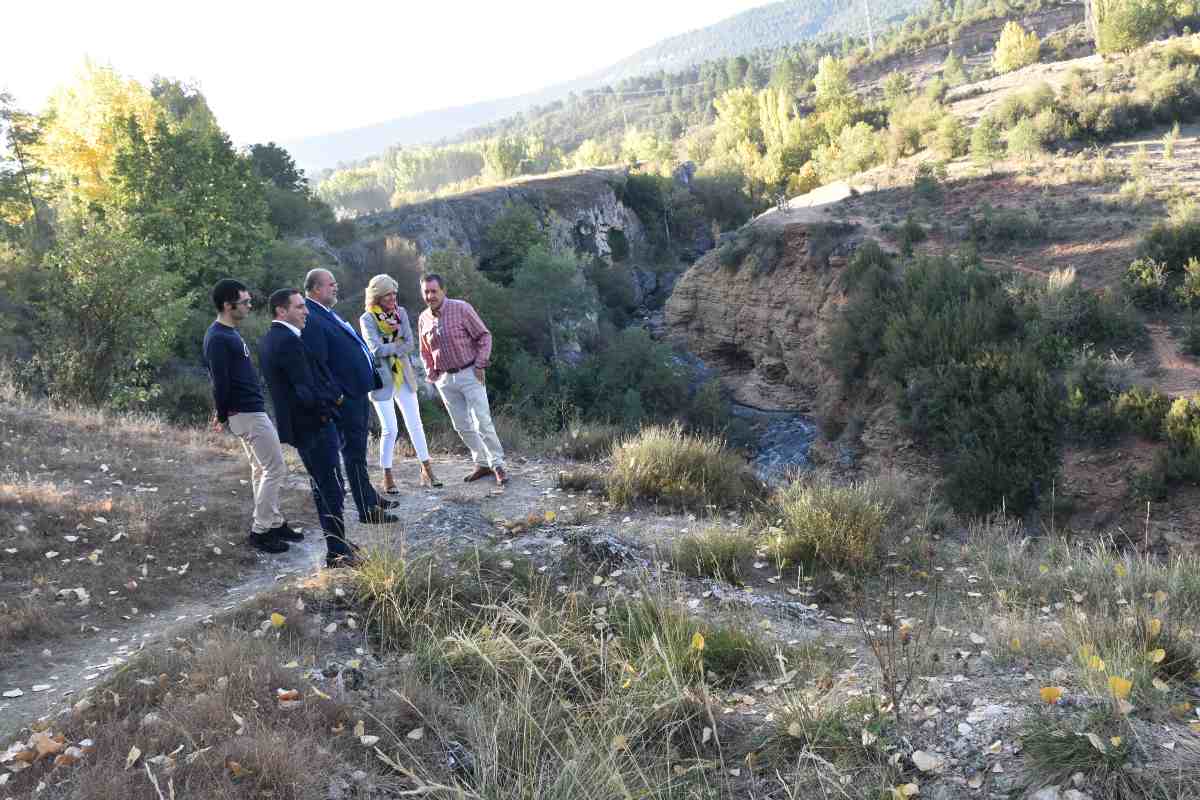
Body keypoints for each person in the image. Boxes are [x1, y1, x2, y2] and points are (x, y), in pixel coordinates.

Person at [259, 288, 362, 569]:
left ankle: (338, 542)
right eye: (300, 307)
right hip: (314, 427)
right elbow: (305, 391)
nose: (306, 312)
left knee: (324, 484)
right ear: (282, 311)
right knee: (330, 487)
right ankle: (338, 553)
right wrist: (331, 407)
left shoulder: (271, 339)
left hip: (303, 427)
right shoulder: (287, 342)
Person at [201, 278, 304, 554]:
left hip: (250, 410)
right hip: (246, 413)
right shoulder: (218, 338)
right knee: (276, 468)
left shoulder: (229, 333)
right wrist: (222, 414)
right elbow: (219, 381)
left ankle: (273, 522)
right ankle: (260, 531)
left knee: (262, 469)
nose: (249, 305)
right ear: (227, 304)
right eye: (244, 302)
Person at [301, 268, 398, 524]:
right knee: (354, 452)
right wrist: (339, 396)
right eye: (330, 284)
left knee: (359, 450)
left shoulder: (326, 312)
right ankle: (367, 510)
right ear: (316, 289)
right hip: (346, 397)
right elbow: (319, 364)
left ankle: (368, 495)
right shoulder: (311, 317)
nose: (335, 287)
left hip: (356, 392)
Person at [417, 273, 508, 486]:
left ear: (443, 290)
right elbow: (424, 350)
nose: (430, 295)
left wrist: (480, 364)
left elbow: (484, 336)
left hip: (470, 373)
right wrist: (431, 371)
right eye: (426, 292)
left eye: (433, 291)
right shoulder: (423, 318)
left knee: (482, 421)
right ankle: (482, 463)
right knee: (461, 425)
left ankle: (498, 465)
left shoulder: (461, 308)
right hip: (445, 380)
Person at [359, 274, 441, 492]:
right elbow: (374, 349)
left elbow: (410, 344)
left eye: (395, 293)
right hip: (382, 380)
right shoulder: (367, 318)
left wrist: (391, 346)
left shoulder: (401, 313)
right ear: (377, 297)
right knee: (390, 429)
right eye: (388, 294)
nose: (393, 298)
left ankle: (427, 469)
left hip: (403, 375)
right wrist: (397, 345)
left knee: (416, 424)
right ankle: (387, 475)